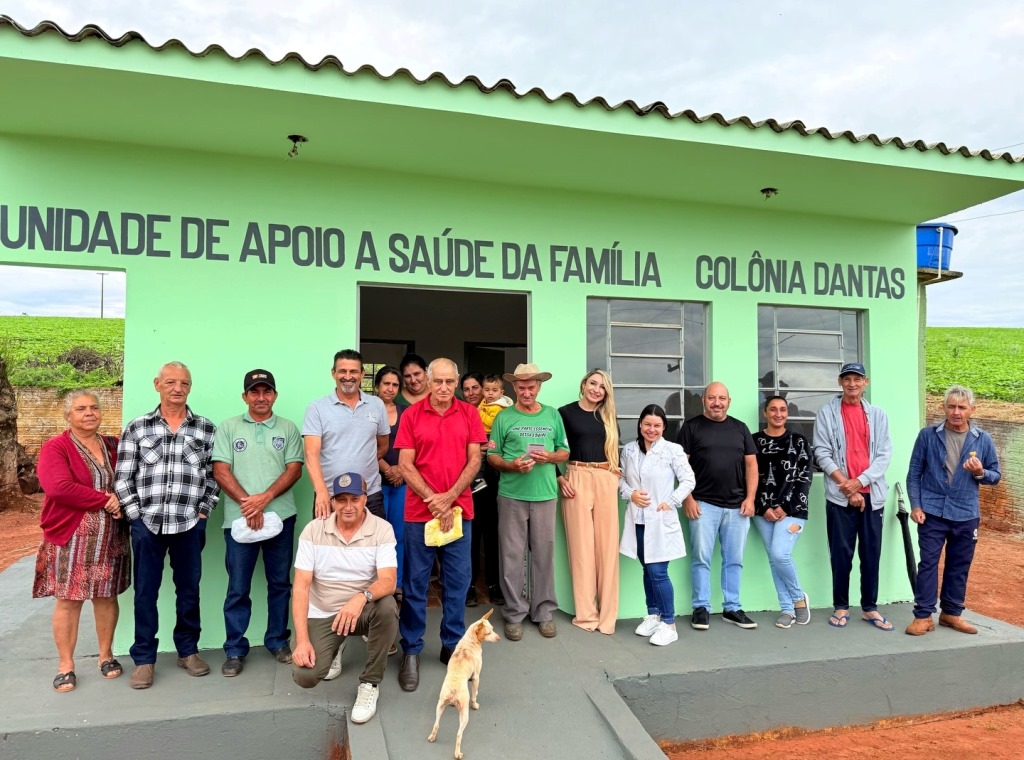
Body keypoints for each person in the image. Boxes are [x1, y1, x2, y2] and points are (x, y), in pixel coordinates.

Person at [114, 361, 218, 689]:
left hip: (189, 524)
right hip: (148, 525)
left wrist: (204, 512)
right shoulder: (138, 427)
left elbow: (214, 475)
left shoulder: (205, 428)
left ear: (190, 387)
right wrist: (135, 517)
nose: (177, 388)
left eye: (184, 383)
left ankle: (188, 651)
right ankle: (144, 659)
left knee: (189, 591)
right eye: (171, 382)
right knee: (145, 592)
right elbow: (123, 477)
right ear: (157, 384)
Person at [393, 358, 486, 692]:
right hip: (420, 514)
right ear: (428, 382)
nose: (444, 388)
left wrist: (449, 498)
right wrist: (435, 499)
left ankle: (452, 645)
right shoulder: (411, 415)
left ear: (457, 381)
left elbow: (474, 459)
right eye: (438, 381)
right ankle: (411, 650)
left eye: (450, 382)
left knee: (457, 583)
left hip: (459, 511)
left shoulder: (469, 413)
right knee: (415, 584)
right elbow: (405, 464)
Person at [34, 390, 130, 692]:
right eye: (80, 409)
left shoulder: (113, 445)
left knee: (106, 597)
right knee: (69, 600)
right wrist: (105, 500)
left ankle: (106, 656)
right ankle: (66, 665)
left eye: (93, 407)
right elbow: (58, 487)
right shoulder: (57, 447)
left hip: (110, 537)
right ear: (68, 415)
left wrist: (121, 502)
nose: (89, 413)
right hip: (72, 537)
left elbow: (130, 479)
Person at [213, 369, 304, 677]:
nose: (261, 397)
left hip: (281, 518)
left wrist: (264, 499)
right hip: (239, 520)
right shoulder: (229, 427)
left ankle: (278, 641)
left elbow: (294, 470)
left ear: (274, 395)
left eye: (267, 391)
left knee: (280, 584)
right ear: (245, 396)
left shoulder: (288, 428)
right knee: (238, 587)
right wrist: (248, 504)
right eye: (255, 392)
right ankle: (235, 649)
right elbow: (220, 471)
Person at [291, 473, 398, 725]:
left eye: (354, 499)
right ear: (332, 502)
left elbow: (389, 581)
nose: (348, 506)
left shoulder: (382, 529)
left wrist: (361, 597)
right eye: (341, 500)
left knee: (387, 607)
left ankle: (370, 683)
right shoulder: (313, 530)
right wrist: (302, 641)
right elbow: (301, 588)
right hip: (324, 612)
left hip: (361, 610)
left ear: (365, 499)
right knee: (305, 676)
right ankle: (335, 645)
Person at [905, 385, 1000, 636]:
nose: (956, 412)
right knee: (928, 563)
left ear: (972, 410)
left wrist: (980, 472)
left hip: (966, 513)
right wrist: (916, 506)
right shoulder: (928, 435)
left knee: (959, 564)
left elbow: (995, 475)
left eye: (962, 407)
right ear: (943, 408)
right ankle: (923, 616)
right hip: (932, 511)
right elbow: (914, 474)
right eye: (951, 406)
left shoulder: (983, 439)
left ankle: (951, 613)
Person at [488, 363, 569, 642]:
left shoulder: (552, 415)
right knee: (511, 555)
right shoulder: (504, 418)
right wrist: (511, 465)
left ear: (539, 387)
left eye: (531, 387)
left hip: (545, 494)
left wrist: (551, 457)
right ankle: (514, 613)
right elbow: (492, 456)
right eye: (521, 387)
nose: (526, 392)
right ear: (514, 387)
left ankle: (543, 611)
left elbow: (564, 450)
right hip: (511, 495)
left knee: (544, 554)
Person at [813, 362, 893, 631]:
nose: (852, 384)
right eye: (847, 379)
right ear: (840, 382)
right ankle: (841, 606)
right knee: (841, 554)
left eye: (857, 379)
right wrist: (846, 486)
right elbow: (821, 452)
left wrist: (859, 483)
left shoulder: (879, 415)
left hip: (873, 496)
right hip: (840, 496)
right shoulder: (827, 413)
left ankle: (870, 608)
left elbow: (884, 456)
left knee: (871, 554)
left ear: (865, 382)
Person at [677, 381, 758, 631]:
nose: (717, 403)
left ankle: (732, 608)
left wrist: (750, 499)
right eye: (712, 398)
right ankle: (701, 608)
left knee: (734, 560)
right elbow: (680, 467)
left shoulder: (740, 428)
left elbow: (751, 466)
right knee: (701, 559)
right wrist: (687, 499)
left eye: (722, 398)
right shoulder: (691, 427)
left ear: (728, 401)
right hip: (703, 505)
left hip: (737, 507)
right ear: (704, 400)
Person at [619, 404, 695, 646]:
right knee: (647, 569)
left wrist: (670, 501)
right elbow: (620, 479)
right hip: (638, 519)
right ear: (640, 424)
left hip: (661, 520)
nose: (651, 429)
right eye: (647, 424)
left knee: (658, 572)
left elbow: (688, 480)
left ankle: (669, 624)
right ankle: (654, 614)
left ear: (664, 427)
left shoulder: (673, 450)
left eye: (657, 425)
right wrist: (631, 494)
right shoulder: (629, 450)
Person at [557, 369, 621, 634]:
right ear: (584, 384)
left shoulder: (608, 415)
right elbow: (552, 446)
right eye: (593, 383)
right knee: (581, 550)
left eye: (602, 386)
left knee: (607, 550)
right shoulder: (564, 413)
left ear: (606, 392)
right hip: (577, 476)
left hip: (606, 477)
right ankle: (586, 616)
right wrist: (559, 477)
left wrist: (615, 476)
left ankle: (607, 619)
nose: (596, 389)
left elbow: (616, 449)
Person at [303, 349, 389, 521]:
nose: (348, 376)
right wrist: (321, 491)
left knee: (374, 538)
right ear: (333, 373)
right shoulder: (317, 408)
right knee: (326, 539)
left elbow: (383, 446)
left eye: (353, 371)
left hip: (369, 495)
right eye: (342, 371)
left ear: (362, 374)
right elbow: (311, 454)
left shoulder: (377, 405)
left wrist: (362, 461)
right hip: (330, 496)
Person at [752, 395, 813, 629]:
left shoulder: (798, 441)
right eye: (773, 409)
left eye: (783, 409)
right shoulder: (754, 441)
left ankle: (798, 599)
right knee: (773, 559)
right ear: (765, 413)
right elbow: (749, 476)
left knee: (780, 554)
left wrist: (785, 507)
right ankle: (786, 609)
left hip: (794, 510)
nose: (778, 414)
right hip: (762, 511)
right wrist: (763, 507)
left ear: (787, 413)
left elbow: (805, 478)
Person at [461, 371, 504, 608]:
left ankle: (494, 584)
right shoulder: (460, 413)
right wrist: (476, 449)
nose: (471, 393)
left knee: (494, 533)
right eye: (466, 389)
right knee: (471, 535)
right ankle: (468, 586)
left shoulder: (501, 411)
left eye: (475, 388)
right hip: (470, 482)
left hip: (497, 480)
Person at [374, 366, 407, 599]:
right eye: (386, 383)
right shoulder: (367, 409)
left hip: (401, 483)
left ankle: (397, 583)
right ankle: (376, 583)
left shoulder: (407, 412)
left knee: (399, 535)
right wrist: (387, 469)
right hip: (375, 482)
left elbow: (414, 445)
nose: (390, 388)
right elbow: (366, 445)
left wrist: (401, 471)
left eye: (395, 385)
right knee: (376, 534)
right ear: (377, 385)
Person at [469, 374, 512, 495]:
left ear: (501, 392)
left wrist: (479, 414)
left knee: (486, 457)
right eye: (487, 390)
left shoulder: (499, 407)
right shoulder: (485, 402)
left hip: (491, 434)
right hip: (482, 433)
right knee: (477, 456)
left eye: (494, 390)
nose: (490, 393)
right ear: (482, 391)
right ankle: (479, 478)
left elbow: (491, 422)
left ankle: (480, 479)